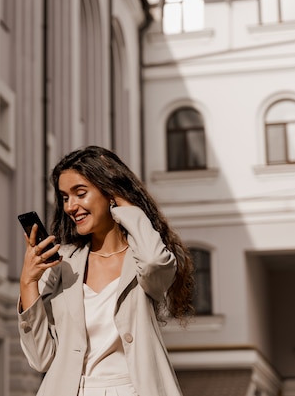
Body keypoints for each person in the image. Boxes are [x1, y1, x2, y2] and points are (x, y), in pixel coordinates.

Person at [17, 145, 194, 396]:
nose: (70, 206)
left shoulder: (141, 259)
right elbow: (40, 359)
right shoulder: (61, 264)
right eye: (65, 197)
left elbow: (156, 263)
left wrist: (125, 204)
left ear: (109, 192)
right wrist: (28, 282)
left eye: (80, 193)